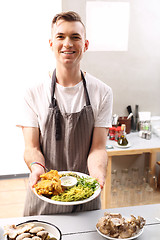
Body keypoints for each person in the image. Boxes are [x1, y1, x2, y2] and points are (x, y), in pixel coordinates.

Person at [17, 11, 113, 216]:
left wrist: (97, 173)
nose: (67, 43)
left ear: (85, 45)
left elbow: (97, 148)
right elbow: (32, 147)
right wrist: (36, 168)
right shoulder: (33, 92)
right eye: (60, 37)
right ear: (51, 43)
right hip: (44, 192)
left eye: (75, 37)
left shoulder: (102, 92)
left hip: (85, 194)